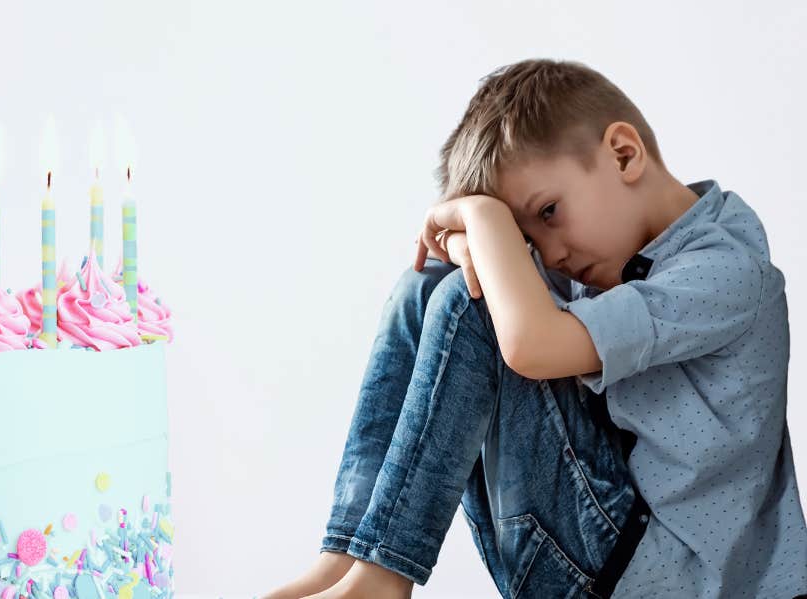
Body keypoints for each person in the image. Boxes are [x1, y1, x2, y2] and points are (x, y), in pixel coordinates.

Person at [263, 59, 807, 598]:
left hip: (673, 577)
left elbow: (531, 345)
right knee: (427, 287)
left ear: (623, 154)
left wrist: (483, 218)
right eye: (529, 238)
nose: (551, 255)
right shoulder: (605, 254)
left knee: (472, 302)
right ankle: (350, 557)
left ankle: (383, 581)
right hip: (595, 548)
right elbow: (474, 286)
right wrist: (465, 238)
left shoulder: (727, 270)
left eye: (547, 212)